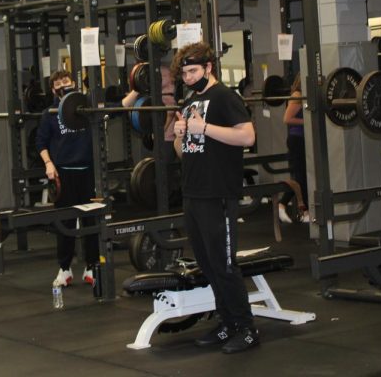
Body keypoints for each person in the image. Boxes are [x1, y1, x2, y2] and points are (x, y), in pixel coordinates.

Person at [171, 42, 259, 354]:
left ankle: (246, 328)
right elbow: (184, 153)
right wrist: (181, 135)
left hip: (218, 193)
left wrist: (204, 127)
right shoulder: (191, 99)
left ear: (209, 67)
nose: (189, 77)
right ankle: (227, 323)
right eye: (184, 73)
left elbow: (248, 136)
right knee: (207, 264)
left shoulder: (225, 97)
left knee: (224, 264)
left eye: (193, 71)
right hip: (193, 193)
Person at [36, 69, 100, 288]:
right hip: (63, 173)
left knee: (92, 220)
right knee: (65, 223)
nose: (64, 84)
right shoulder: (50, 113)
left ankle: (92, 267)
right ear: (53, 89)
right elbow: (41, 142)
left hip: (88, 172)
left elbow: (116, 106)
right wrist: (49, 164)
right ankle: (64, 269)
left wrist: (136, 92)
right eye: (58, 83)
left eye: (67, 80)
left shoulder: (86, 108)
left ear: (73, 83)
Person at [122, 62, 177, 160]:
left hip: (166, 139)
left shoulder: (168, 89)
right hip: (154, 136)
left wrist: (156, 133)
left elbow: (169, 113)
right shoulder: (149, 84)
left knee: (163, 169)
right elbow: (125, 104)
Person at [280, 74, 309, 224]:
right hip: (296, 140)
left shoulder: (304, 96)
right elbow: (287, 119)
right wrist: (309, 121)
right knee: (300, 176)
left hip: (303, 140)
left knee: (303, 176)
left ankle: (286, 206)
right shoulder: (297, 95)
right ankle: (298, 209)